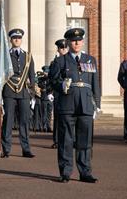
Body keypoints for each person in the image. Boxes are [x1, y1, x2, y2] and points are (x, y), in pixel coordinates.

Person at [50, 28, 101, 183]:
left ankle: (85, 172)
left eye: (79, 40)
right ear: (69, 42)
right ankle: (65, 172)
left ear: (82, 41)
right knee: (65, 140)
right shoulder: (60, 61)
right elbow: (53, 81)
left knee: (84, 141)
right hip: (67, 105)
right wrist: (61, 85)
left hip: (85, 104)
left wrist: (96, 104)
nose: (76, 43)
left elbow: (94, 83)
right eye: (73, 40)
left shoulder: (90, 60)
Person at [1, 28, 36, 158]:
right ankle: (6, 149)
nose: (17, 40)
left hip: (24, 91)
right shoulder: (5, 55)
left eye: (19, 38)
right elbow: (0, 75)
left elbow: (32, 75)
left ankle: (26, 149)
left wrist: (32, 94)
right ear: (10, 40)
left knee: (24, 121)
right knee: (8, 120)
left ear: (21, 40)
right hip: (9, 90)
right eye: (14, 38)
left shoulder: (27, 56)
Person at [49, 39, 69, 149]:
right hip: (59, 93)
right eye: (62, 48)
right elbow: (53, 78)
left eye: (65, 48)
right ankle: (56, 140)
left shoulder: (73, 61)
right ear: (58, 49)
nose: (64, 50)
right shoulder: (55, 62)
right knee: (58, 118)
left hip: (70, 93)